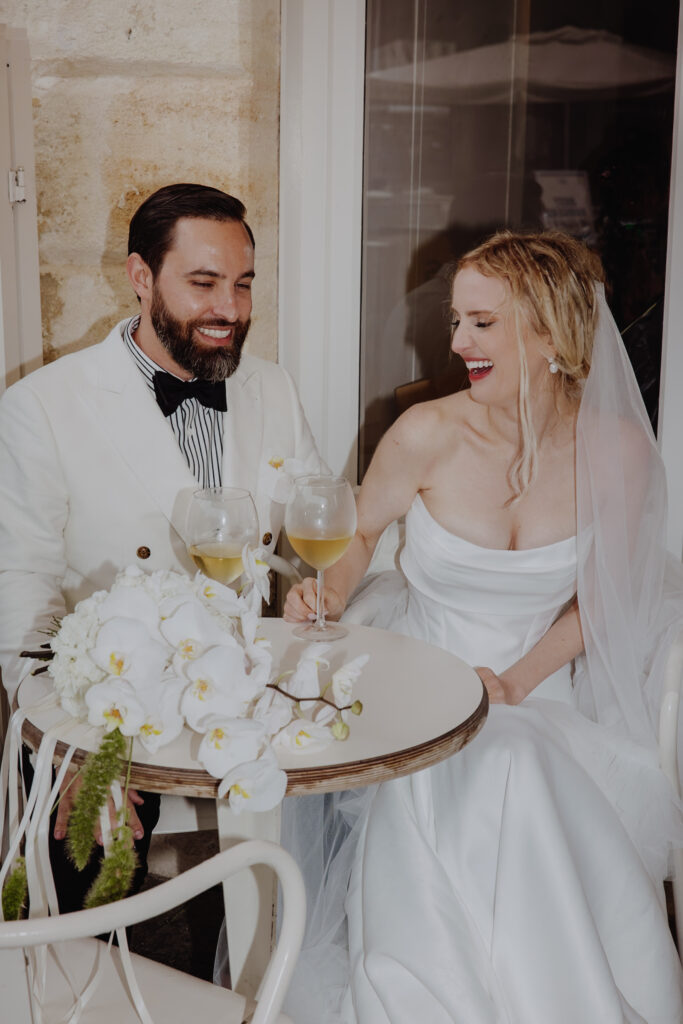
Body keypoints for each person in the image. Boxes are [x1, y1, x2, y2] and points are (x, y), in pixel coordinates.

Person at [284, 231, 683, 1023]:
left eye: (481, 323)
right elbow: (359, 535)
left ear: (548, 334)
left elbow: (603, 599)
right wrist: (324, 591)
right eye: (456, 320)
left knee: (512, 748)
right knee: (490, 755)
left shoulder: (619, 449)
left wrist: (515, 683)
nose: (457, 341)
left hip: (543, 689)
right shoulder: (425, 433)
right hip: (421, 684)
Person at [0, 182, 325, 910]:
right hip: (101, 701)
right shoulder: (41, 408)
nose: (230, 310)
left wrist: (310, 583)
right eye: (203, 283)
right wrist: (71, 741)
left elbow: (306, 527)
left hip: (244, 693)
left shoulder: (272, 388)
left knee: (270, 893)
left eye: (242, 285)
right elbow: (19, 585)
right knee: (82, 902)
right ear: (141, 277)